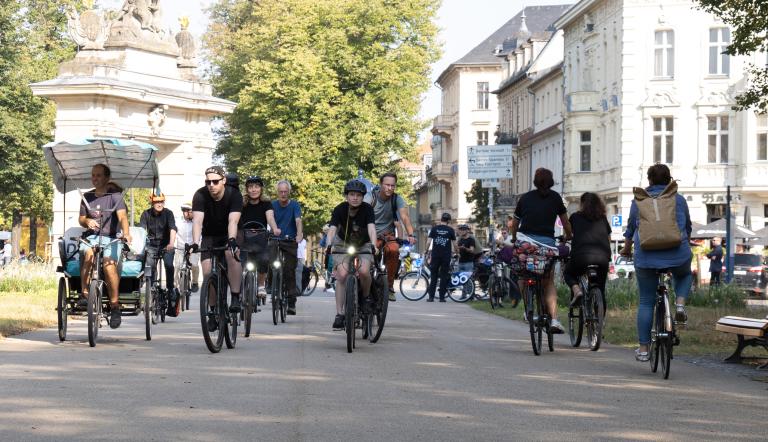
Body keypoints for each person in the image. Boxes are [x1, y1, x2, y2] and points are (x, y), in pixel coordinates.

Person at [621, 163, 692, 363]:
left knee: (646, 301)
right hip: (678, 253)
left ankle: (643, 349)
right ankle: (679, 305)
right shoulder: (678, 200)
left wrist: (626, 249)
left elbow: (631, 229)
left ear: (649, 181)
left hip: (646, 257)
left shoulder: (639, 201)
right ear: (670, 180)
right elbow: (686, 226)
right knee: (685, 274)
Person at [507, 168, 572, 333]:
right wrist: (568, 236)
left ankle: (528, 307)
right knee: (547, 281)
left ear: (535, 182)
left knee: (523, 275)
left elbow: (515, 223)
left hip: (526, 245)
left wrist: (514, 238)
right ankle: (555, 320)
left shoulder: (525, 198)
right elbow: (565, 223)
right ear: (551, 182)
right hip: (547, 246)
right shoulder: (556, 198)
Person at [78, 163, 132, 329]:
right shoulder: (87, 197)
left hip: (111, 238)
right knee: (88, 254)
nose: (95, 178)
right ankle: (85, 293)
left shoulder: (115, 196)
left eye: (99, 175)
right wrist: (87, 220)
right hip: (92, 237)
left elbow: (122, 217)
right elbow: (80, 219)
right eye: (93, 175)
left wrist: (126, 233)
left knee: (109, 265)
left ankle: (115, 305)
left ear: (107, 178)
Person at [191, 165, 243, 332]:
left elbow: (233, 221)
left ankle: (235, 297)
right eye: (208, 182)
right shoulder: (200, 195)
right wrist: (194, 242)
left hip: (229, 233)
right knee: (207, 272)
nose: (211, 185)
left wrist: (232, 240)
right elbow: (197, 221)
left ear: (224, 181)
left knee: (231, 254)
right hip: (209, 235)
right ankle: (212, 311)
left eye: (215, 181)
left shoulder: (233, 194)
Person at [326, 179, 378, 329]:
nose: (355, 198)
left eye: (358, 195)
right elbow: (332, 229)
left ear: (363, 197)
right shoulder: (339, 209)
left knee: (364, 271)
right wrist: (329, 244)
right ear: (346, 196)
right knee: (342, 275)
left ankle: (366, 298)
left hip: (363, 245)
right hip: (343, 244)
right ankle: (340, 314)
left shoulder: (368, 209)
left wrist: (374, 245)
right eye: (352, 194)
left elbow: (372, 229)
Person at [363, 172, 417, 301]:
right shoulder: (371, 197)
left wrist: (410, 234)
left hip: (388, 235)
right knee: (368, 254)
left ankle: (390, 286)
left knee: (393, 250)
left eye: (393, 186)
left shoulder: (396, 199)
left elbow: (404, 217)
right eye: (387, 185)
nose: (390, 188)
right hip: (371, 235)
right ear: (381, 184)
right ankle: (363, 282)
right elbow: (362, 211)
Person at [562, 192, 611, 309]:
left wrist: (565, 239)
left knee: (568, 272)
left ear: (582, 204)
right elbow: (609, 238)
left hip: (581, 257)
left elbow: (567, 235)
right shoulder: (603, 219)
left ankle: (576, 290)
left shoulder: (574, 217)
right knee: (600, 288)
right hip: (602, 257)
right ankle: (599, 322)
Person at [239, 176, 279, 303]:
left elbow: (270, 218)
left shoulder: (266, 204)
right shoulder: (242, 204)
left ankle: (261, 285)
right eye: (250, 187)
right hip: (244, 237)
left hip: (260, 237)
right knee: (239, 262)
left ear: (261, 189)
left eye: (256, 186)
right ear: (247, 189)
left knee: (264, 259)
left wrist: (275, 228)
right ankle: (240, 290)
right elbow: (235, 219)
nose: (253, 190)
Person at [140, 192, 178, 316]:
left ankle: (170, 288)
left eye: (161, 201)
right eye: (157, 202)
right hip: (151, 245)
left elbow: (172, 228)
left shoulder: (168, 213)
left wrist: (171, 243)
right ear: (152, 202)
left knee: (168, 265)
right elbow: (142, 231)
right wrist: (141, 245)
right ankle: (151, 289)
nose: (159, 204)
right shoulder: (146, 214)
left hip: (166, 245)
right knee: (149, 267)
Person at [272, 180, 304, 315]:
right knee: (269, 261)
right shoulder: (272, 205)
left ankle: (291, 302)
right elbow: (268, 219)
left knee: (289, 270)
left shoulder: (295, 205)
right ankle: (271, 285)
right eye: (281, 191)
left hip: (290, 241)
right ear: (277, 192)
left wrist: (299, 234)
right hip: (275, 240)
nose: (283, 194)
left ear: (289, 192)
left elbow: (298, 221)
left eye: (285, 191)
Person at [426, 212, 456, 302]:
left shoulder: (434, 229)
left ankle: (431, 297)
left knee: (433, 275)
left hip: (435, 255)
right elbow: (455, 244)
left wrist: (426, 250)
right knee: (444, 276)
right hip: (446, 256)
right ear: (448, 221)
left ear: (441, 219)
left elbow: (428, 242)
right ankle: (442, 298)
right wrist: (457, 252)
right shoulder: (450, 230)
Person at [174, 202, 200, 292]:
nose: (186, 213)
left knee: (194, 264)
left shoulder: (196, 222)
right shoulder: (177, 222)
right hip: (181, 247)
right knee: (177, 266)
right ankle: (175, 286)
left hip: (193, 248)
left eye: (188, 211)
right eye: (184, 211)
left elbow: (200, 236)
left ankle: (195, 283)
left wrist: (196, 246)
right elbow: (174, 234)